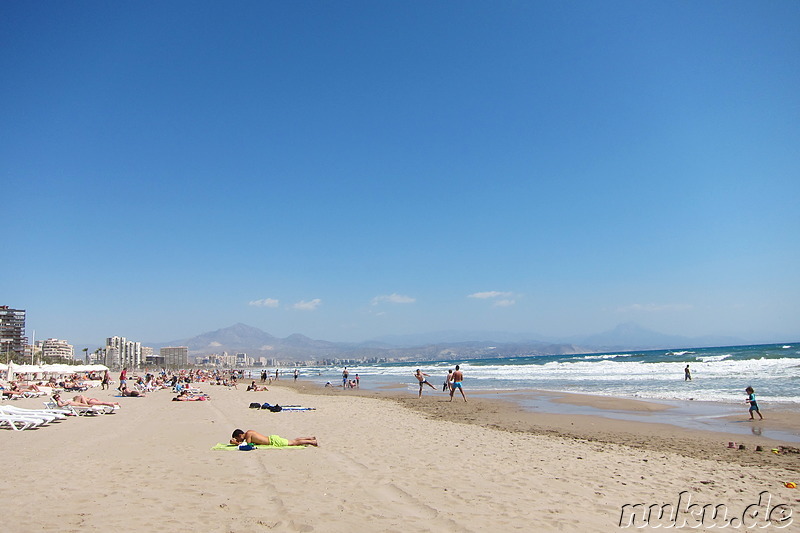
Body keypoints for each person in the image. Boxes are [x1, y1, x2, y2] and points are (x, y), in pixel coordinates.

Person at [230, 429, 318, 447]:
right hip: (272, 438)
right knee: (293, 440)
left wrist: (236, 443)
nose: (239, 440)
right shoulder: (250, 432)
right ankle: (309, 438)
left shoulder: (248, 434)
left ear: (240, 435)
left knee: (293, 443)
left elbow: (248, 445)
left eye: (238, 439)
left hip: (273, 441)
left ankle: (312, 442)